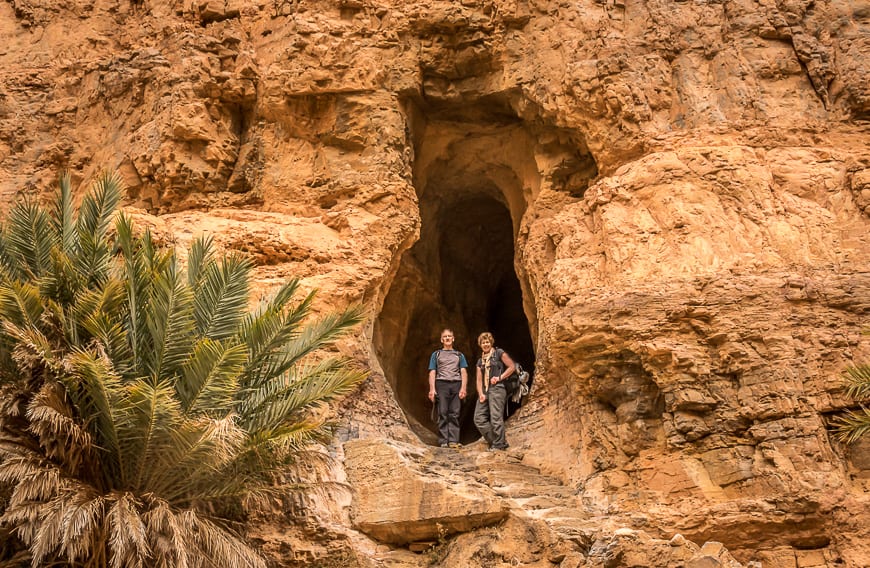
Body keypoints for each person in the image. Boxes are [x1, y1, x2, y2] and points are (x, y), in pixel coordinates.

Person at [473, 332, 515, 451]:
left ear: (491, 342)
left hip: (498, 388)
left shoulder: (498, 353)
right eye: (483, 342)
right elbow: (479, 379)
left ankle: (499, 444)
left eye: (487, 342)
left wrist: (499, 377)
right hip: (485, 391)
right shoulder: (480, 361)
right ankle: (497, 442)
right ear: (480, 345)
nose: (485, 344)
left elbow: (512, 366)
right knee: (479, 418)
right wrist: (480, 394)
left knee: (496, 417)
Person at [428, 328, 468, 448]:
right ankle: (443, 441)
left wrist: (463, 388)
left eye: (449, 336)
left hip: (456, 384)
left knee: (455, 413)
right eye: (445, 336)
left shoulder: (459, 355)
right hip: (441, 384)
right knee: (443, 412)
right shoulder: (436, 354)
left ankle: (454, 441)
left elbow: (463, 372)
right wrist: (432, 389)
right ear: (441, 340)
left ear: (453, 338)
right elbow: (432, 372)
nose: (447, 338)